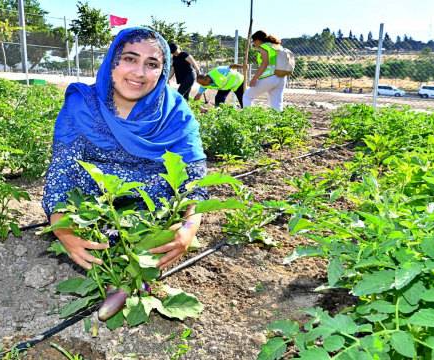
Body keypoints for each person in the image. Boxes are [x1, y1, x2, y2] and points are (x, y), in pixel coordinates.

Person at [42, 27, 208, 271]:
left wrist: (188, 229)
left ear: (162, 72)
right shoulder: (82, 105)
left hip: (152, 220)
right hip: (91, 214)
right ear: (112, 62)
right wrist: (64, 230)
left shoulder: (175, 112)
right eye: (129, 58)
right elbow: (62, 172)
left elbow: (194, 181)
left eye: (152, 64)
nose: (139, 73)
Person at [242, 30, 287, 111]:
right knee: (276, 104)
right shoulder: (277, 46)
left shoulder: (264, 47)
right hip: (281, 77)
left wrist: (254, 79)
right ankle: (279, 122)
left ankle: (248, 118)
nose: (253, 43)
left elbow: (264, 64)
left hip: (269, 77)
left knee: (247, 96)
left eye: (254, 41)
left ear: (258, 40)